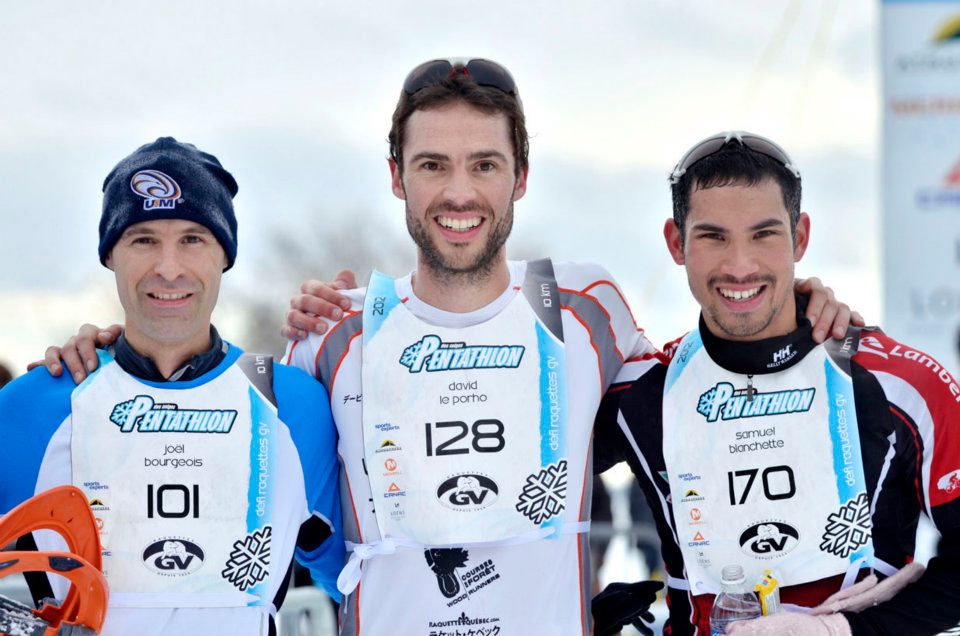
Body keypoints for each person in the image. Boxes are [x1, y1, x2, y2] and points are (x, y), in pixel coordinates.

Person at [42, 62, 853, 636]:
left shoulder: (584, 307)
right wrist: (108, 354)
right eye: (433, 165)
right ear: (397, 176)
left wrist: (790, 307)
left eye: (484, 165)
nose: (459, 192)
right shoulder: (333, 334)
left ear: (520, 177)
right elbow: (228, 441)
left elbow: (708, 389)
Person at [591, 131, 960, 635]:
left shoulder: (901, 384)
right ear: (677, 243)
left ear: (799, 237)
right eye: (713, 236)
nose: (740, 266)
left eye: (764, 234)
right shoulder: (642, 393)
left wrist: (842, 631)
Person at [0, 137, 344, 636]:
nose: (168, 268)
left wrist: (356, 336)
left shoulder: (291, 403)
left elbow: (359, 579)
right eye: (143, 240)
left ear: (224, 255)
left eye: (192, 239)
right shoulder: (32, 405)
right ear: (110, 255)